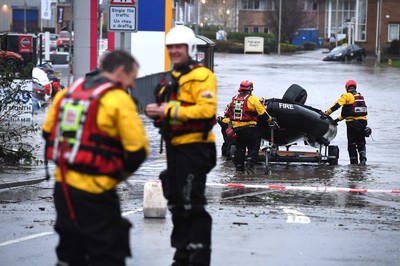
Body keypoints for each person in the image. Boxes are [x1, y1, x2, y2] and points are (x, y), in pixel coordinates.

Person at [42, 50, 149, 266]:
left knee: (69, 253)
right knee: (107, 254)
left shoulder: (68, 93)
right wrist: (115, 175)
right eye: (132, 79)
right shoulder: (117, 98)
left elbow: (47, 133)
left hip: (63, 189)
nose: (133, 85)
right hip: (96, 192)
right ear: (120, 71)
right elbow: (138, 150)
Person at [144, 25, 217, 266]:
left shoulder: (203, 76)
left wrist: (170, 110)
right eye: (171, 47)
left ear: (190, 49)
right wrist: (153, 111)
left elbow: (207, 110)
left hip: (196, 147)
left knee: (191, 201)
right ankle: (182, 253)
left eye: (179, 47)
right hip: (175, 147)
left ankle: (198, 256)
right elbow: (165, 108)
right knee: (175, 199)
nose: (174, 51)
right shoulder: (170, 78)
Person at [224, 80, 273, 173]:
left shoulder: (234, 99)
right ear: (250, 89)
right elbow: (263, 114)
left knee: (240, 149)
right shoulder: (253, 99)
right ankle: (250, 164)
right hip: (250, 129)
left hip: (237, 130)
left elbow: (227, 113)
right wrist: (271, 119)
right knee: (254, 148)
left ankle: (239, 168)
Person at [325, 79, 368, 165]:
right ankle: (363, 159)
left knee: (351, 144)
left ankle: (354, 163)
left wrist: (327, 113)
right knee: (361, 142)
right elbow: (348, 113)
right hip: (363, 123)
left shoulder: (347, 96)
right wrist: (336, 120)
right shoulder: (360, 97)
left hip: (352, 124)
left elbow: (336, 105)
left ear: (346, 88)